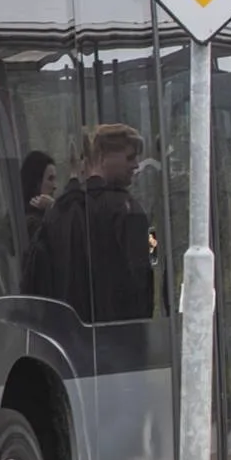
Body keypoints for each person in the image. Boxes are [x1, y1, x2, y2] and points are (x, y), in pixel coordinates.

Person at [25, 124, 155, 323]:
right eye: (129, 158)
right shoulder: (128, 211)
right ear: (102, 157)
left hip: (67, 331)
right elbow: (142, 281)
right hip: (119, 331)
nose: (136, 165)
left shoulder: (59, 212)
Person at [20, 151, 58, 247]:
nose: (55, 186)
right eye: (50, 179)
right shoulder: (32, 223)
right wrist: (54, 209)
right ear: (37, 182)